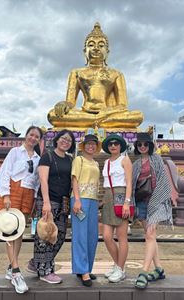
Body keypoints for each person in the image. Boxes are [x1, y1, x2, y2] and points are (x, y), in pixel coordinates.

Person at [47, 22, 143, 129]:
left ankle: (93, 122)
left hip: (107, 112)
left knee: (138, 116)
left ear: (107, 52)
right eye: (91, 45)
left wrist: (106, 112)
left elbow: (122, 105)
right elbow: (70, 102)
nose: (96, 48)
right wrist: (63, 104)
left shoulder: (116, 74)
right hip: (85, 112)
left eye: (101, 45)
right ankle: (98, 122)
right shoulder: (76, 73)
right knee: (53, 114)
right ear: (85, 51)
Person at [0, 125, 43, 294]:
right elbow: (4, 173)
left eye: (37, 136)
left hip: (28, 193)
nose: (33, 138)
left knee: (20, 231)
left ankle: (11, 266)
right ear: (26, 136)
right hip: (13, 190)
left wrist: (36, 198)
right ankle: (16, 271)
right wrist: (6, 195)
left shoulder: (38, 158)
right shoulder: (15, 152)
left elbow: (37, 181)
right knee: (9, 230)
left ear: (39, 140)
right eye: (31, 135)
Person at [27, 129, 76, 284]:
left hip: (63, 202)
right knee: (44, 235)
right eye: (63, 138)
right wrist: (46, 202)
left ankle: (37, 263)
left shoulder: (70, 160)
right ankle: (45, 270)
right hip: (48, 200)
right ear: (57, 139)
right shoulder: (47, 157)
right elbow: (43, 180)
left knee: (59, 236)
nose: (66, 142)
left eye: (69, 140)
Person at [132, 132, 173, 289]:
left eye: (145, 144)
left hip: (157, 201)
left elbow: (163, 181)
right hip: (142, 202)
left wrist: (157, 199)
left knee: (149, 234)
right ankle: (159, 269)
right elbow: (134, 185)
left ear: (150, 145)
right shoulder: (135, 164)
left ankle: (143, 272)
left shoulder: (156, 159)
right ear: (136, 146)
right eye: (140, 144)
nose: (143, 147)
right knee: (150, 236)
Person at [101, 134, 133, 283]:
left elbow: (129, 182)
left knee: (121, 236)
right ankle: (118, 265)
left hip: (121, 196)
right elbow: (107, 183)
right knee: (107, 236)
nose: (113, 146)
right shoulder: (106, 162)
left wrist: (127, 202)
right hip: (108, 197)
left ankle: (120, 269)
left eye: (116, 143)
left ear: (121, 145)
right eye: (110, 144)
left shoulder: (125, 160)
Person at [71, 134, 101, 287]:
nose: (91, 146)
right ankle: (83, 271)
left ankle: (86, 267)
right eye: (88, 144)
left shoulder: (96, 163)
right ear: (83, 146)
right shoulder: (79, 160)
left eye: (93, 144)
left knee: (92, 235)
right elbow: (74, 179)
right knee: (80, 235)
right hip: (80, 199)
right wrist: (76, 199)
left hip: (93, 200)